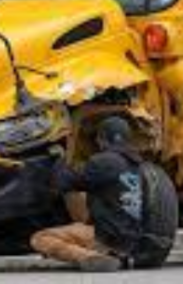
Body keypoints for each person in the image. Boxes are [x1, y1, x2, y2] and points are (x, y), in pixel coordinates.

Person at [30, 117, 144, 272]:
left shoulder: (103, 162)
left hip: (107, 237)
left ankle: (90, 257)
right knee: (83, 192)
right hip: (131, 238)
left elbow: (62, 182)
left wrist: (57, 159)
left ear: (102, 139)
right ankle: (114, 255)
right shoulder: (137, 166)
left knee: (40, 238)